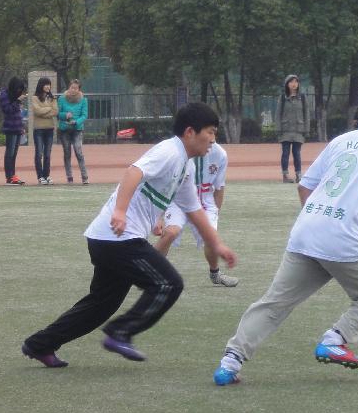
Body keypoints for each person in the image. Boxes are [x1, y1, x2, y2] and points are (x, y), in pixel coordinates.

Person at [213, 82, 358, 387]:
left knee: (275, 303)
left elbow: (304, 185)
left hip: (306, 233)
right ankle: (335, 339)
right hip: (344, 241)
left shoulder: (341, 141)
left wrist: (319, 219)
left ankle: (230, 362)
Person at [22, 102, 237, 368]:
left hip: (108, 238)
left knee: (101, 305)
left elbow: (194, 209)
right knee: (168, 284)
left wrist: (217, 245)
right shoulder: (170, 151)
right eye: (210, 132)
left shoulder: (186, 166)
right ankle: (120, 332)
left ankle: (40, 344)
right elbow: (134, 171)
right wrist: (120, 211)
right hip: (118, 238)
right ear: (190, 132)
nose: (213, 139)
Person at [153, 142, 238, 287]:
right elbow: (164, 184)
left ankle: (215, 274)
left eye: (213, 132)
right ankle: (150, 272)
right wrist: (159, 216)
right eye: (208, 132)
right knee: (170, 233)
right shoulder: (178, 151)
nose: (211, 138)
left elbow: (219, 188)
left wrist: (215, 213)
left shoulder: (220, 154)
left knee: (211, 237)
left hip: (205, 201)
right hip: (178, 199)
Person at [276, 74, 310, 184]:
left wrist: (306, 129)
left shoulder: (302, 97)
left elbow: (306, 114)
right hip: (285, 130)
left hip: (298, 130)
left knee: (297, 153)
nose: (294, 84)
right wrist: (278, 129)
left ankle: (298, 175)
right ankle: (285, 175)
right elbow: (278, 114)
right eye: (291, 82)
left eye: (296, 81)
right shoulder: (283, 97)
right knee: (285, 153)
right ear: (287, 84)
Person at [57, 79, 89, 185]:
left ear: (79, 89)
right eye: (72, 87)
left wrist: (76, 122)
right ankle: (69, 177)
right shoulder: (62, 99)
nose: (73, 90)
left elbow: (84, 115)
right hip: (64, 129)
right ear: (69, 87)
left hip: (77, 129)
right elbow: (58, 113)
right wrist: (65, 115)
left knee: (78, 151)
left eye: (76, 88)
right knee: (67, 152)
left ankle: (84, 176)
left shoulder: (83, 100)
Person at [31, 77, 59, 185]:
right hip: (38, 129)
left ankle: (46, 175)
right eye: (46, 84)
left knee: (47, 154)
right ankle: (40, 176)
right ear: (41, 85)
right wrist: (48, 108)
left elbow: (55, 111)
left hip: (49, 129)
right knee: (39, 153)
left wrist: (45, 111)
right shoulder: (34, 98)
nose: (48, 87)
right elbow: (37, 111)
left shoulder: (52, 98)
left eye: (49, 84)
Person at [0, 76, 27, 186]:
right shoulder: (4, 95)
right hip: (10, 127)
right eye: (18, 88)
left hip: (17, 127)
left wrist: (22, 127)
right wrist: (18, 101)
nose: (19, 91)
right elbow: (8, 110)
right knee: (9, 153)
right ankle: (9, 177)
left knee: (14, 154)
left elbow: (18, 114)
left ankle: (13, 176)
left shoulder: (15, 96)